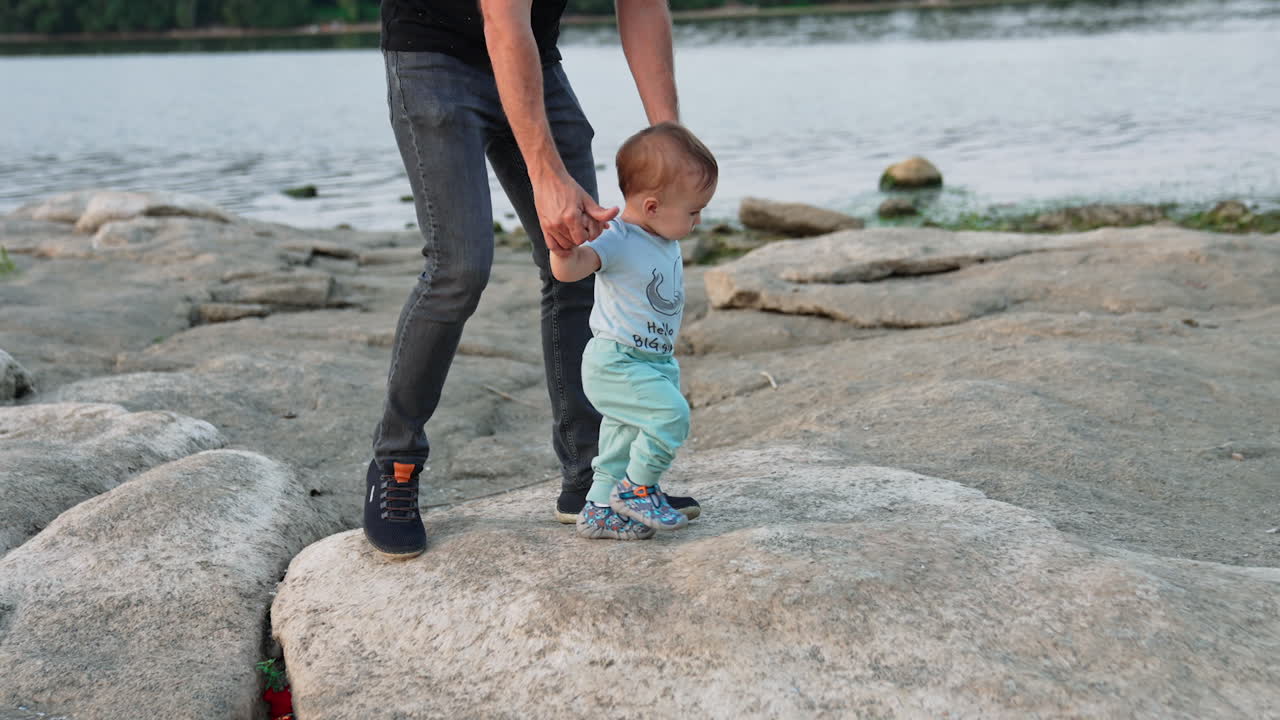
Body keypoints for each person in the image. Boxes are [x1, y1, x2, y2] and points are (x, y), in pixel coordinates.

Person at [363, 0, 701, 558]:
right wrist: (545, 175)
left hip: (534, 57)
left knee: (580, 258)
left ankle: (592, 478)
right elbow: (502, 19)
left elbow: (642, 6)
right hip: (433, 54)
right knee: (459, 268)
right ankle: (395, 465)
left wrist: (671, 143)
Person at [549, 123, 717, 540]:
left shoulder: (662, 234)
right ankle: (637, 490)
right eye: (693, 211)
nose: (698, 220)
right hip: (617, 361)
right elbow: (571, 271)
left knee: (622, 439)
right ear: (654, 206)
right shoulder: (617, 238)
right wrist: (561, 248)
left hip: (655, 361)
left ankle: (600, 510)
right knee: (670, 416)